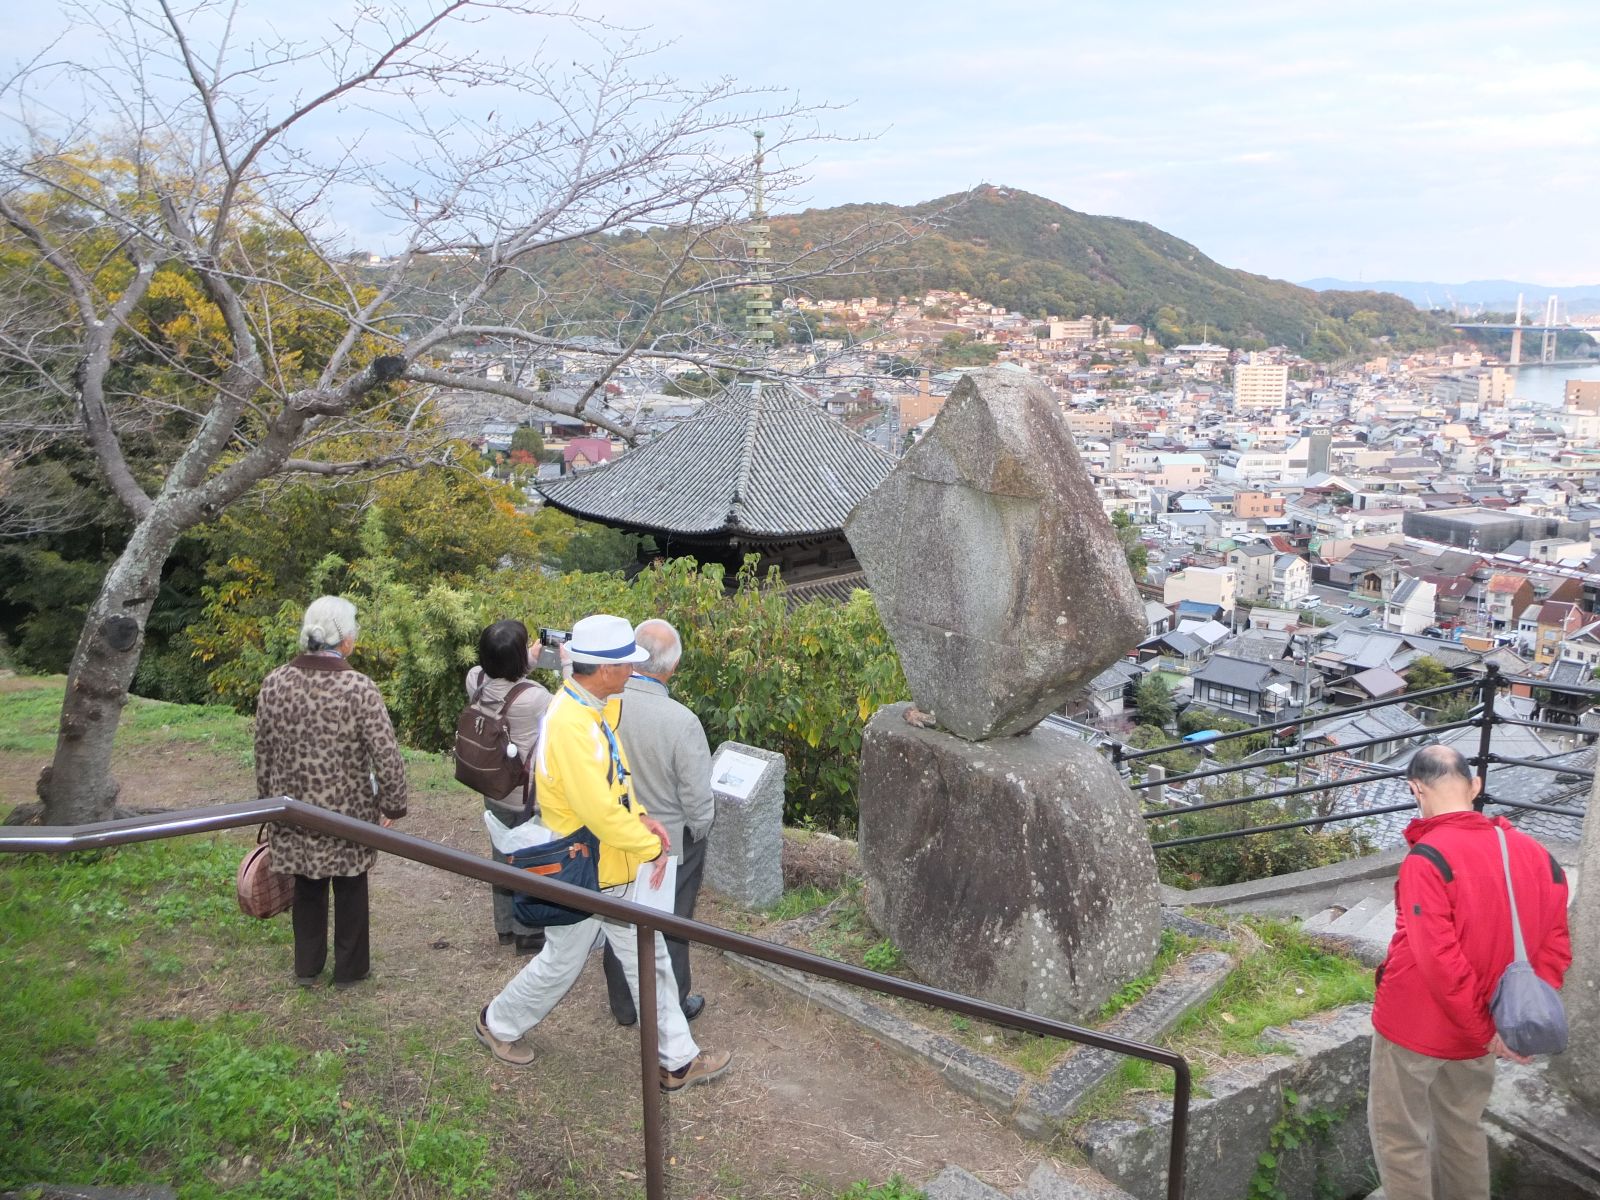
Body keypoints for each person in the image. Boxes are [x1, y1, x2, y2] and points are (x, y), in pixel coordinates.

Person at [475, 613, 732, 1092]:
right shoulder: (574, 723)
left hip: (597, 864)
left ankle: (500, 1022)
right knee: (634, 954)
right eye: (626, 665)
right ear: (605, 669)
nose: (633, 672)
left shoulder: (588, 705)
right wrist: (650, 842)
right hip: (593, 865)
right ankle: (676, 1059)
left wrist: (640, 816)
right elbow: (597, 809)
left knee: (585, 958)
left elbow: (617, 781)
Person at [1368, 744, 1570, 1200]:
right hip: (1486, 1029)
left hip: (1414, 1024)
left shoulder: (1428, 858)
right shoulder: (1537, 855)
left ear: (1415, 790)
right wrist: (1505, 1023)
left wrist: (1483, 1028)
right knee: (1462, 1129)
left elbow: (1437, 959)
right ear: (1475, 786)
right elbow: (1556, 943)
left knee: (1401, 1136)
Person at [255, 596, 408, 989]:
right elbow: (386, 755)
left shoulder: (274, 683)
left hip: (293, 810)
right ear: (345, 640)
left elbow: (263, 753)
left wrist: (266, 806)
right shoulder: (358, 687)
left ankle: (307, 967)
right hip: (348, 812)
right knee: (351, 883)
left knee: (307, 884)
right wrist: (392, 803)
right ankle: (350, 970)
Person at [602, 619, 715, 1026]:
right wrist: (699, 830)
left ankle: (625, 1004)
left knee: (618, 914)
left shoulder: (605, 703)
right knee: (671, 921)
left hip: (614, 830)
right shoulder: (681, 721)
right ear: (675, 664)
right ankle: (673, 1001)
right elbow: (698, 800)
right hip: (668, 842)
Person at [466, 619, 559, 955]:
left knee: (502, 853)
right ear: (518, 657)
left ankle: (504, 926)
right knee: (531, 855)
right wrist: (565, 662)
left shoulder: (474, 679)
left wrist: (524, 660)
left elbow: (502, 678)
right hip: (525, 794)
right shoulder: (536, 698)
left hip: (493, 785)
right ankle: (528, 931)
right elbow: (564, 708)